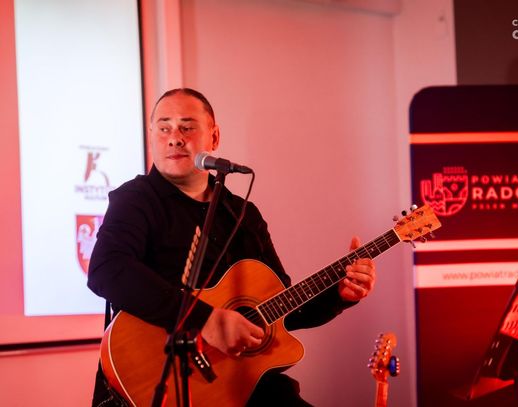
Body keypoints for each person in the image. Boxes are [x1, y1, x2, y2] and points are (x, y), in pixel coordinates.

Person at [87, 88, 376, 406]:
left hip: (244, 385)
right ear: (151, 136)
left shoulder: (243, 215)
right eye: (164, 128)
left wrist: (339, 294)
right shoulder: (135, 200)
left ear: (214, 137)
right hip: (164, 384)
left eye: (187, 127)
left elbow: (282, 312)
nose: (175, 138)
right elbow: (106, 270)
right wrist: (205, 320)